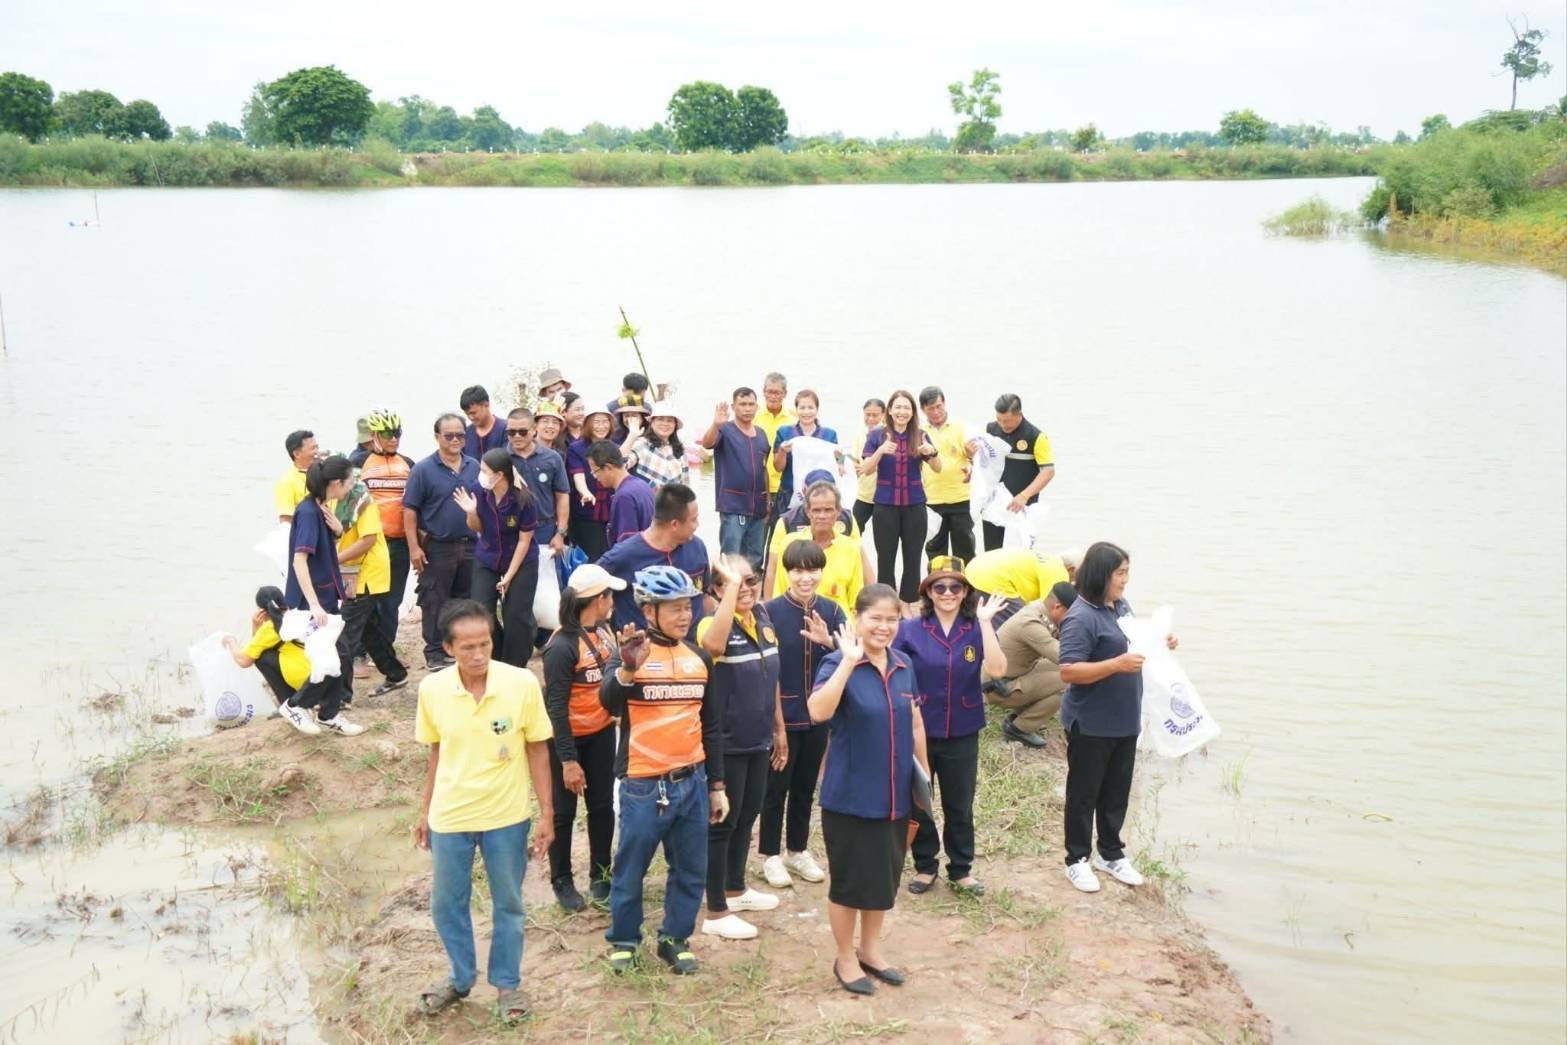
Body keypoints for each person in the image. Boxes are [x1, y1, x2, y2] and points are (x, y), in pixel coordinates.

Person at [413, 599, 555, 1022]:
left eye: (485, 645)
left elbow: (537, 749)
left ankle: (507, 985)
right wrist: (424, 813)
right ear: (448, 647)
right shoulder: (432, 689)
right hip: (450, 816)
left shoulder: (522, 683)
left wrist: (547, 813)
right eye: (467, 648)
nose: (478, 656)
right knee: (445, 904)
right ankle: (460, 978)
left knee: (508, 903)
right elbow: (437, 752)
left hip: (506, 817)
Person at [599, 565, 729, 975]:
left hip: (692, 781)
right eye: (674, 609)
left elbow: (711, 726)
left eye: (687, 607)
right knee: (631, 867)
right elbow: (607, 701)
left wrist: (717, 786)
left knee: (691, 868)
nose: (685, 616)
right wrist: (626, 670)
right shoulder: (631, 653)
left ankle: (675, 939)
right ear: (648, 611)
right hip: (642, 784)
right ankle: (624, 940)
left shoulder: (700, 657)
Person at [808, 584, 929, 996]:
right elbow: (817, 711)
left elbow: (914, 722)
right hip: (850, 797)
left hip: (896, 794)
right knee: (849, 881)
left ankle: (871, 951)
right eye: (875, 618)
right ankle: (844, 957)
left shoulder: (903, 664)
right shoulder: (835, 662)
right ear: (857, 619)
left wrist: (924, 780)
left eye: (891, 619)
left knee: (883, 878)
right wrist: (848, 662)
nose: (883, 626)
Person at [1058, 542, 1176, 894]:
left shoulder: (1120, 605)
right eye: (1120, 573)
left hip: (1124, 717)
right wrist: (1115, 665)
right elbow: (1068, 671)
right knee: (1084, 793)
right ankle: (1076, 859)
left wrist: (1160, 640)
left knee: (1117, 790)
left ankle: (1110, 852)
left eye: (1127, 572)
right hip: (1091, 722)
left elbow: (1133, 643)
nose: (1126, 580)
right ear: (1101, 574)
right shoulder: (1080, 617)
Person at [894, 558, 1007, 896]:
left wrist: (986, 623)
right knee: (920, 800)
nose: (947, 593)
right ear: (928, 591)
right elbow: (894, 668)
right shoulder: (910, 628)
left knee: (960, 803)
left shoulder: (976, 627)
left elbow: (999, 670)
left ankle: (960, 869)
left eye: (955, 587)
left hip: (962, 727)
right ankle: (926, 866)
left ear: (965, 592)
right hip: (920, 729)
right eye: (939, 586)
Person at [696, 556, 785, 940]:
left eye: (751, 580)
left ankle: (735, 889)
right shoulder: (712, 624)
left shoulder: (762, 620)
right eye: (733, 583)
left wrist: (779, 729)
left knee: (748, 813)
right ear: (716, 590)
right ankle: (715, 909)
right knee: (722, 823)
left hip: (759, 737)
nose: (746, 587)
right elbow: (712, 646)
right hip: (727, 742)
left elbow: (773, 676)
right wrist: (730, 592)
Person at [758, 539, 843, 890]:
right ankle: (769, 855)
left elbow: (853, 653)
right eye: (797, 570)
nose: (805, 578)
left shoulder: (834, 611)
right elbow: (766, 668)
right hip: (783, 715)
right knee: (775, 786)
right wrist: (775, 725)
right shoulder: (770, 611)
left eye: (812, 570)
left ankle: (797, 849)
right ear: (786, 572)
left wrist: (829, 643)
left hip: (818, 717)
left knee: (806, 786)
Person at [541, 564, 625, 913]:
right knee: (563, 813)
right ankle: (561, 880)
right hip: (569, 739)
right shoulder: (561, 646)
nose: (614, 601)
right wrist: (568, 760)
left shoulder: (605, 631)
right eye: (610, 595)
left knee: (602, 807)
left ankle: (600, 874)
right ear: (597, 599)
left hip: (602, 733)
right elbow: (555, 707)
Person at [282, 454, 364, 736]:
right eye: (350, 482)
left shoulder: (321, 508)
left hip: (328, 596)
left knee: (340, 656)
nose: (352, 486)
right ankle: (296, 705)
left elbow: (324, 547)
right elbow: (299, 560)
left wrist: (338, 530)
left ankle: (329, 714)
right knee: (331, 660)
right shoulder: (307, 512)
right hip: (312, 601)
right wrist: (314, 605)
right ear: (336, 483)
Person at [403, 414, 481, 670]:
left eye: (460, 434)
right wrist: (414, 547)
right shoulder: (423, 470)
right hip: (437, 546)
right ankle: (434, 652)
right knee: (433, 599)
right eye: (449, 435)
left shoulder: (474, 466)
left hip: (470, 544)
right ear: (437, 437)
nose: (455, 440)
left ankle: (457, 647)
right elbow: (410, 511)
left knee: (464, 600)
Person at [224, 585, 348, 737]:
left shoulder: (270, 628)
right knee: (270, 652)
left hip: (307, 683)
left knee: (262, 658)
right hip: (327, 678)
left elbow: (244, 661)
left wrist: (231, 641)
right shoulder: (299, 615)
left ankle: (292, 706)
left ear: (262, 611)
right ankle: (307, 706)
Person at [454, 448, 539, 668]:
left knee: (516, 616)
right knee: (482, 612)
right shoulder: (479, 491)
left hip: (520, 559)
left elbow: (524, 541)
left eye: (484, 470)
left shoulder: (524, 499)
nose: (480, 474)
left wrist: (509, 576)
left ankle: (515, 666)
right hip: (488, 557)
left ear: (499, 475)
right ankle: (496, 658)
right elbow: (478, 528)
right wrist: (471, 512)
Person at [597, 483, 711, 639]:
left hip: (691, 655)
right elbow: (586, 594)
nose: (697, 525)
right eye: (694, 520)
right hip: (645, 655)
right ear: (675, 524)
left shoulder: (696, 547)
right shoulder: (624, 556)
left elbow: (704, 596)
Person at [860, 390, 941, 608]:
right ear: (890, 410)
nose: (902, 412)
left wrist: (931, 452)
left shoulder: (921, 435)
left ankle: (908, 603)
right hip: (885, 506)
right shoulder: (877, 435)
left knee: (913, 557)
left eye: (907, 408)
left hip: (915, 505)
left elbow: (938, 468)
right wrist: (880, 451)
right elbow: (865, 469)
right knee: (885, 557)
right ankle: (887, 603)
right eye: (898, 407)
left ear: (913, 411)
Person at [333, 473, 410, 698]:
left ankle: (340, 697)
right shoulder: (334, 500)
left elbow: (368, 540)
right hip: (350, 573)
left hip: (366, 574)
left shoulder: (362, 502)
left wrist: (332, 560)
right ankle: (395, 674)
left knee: (344, 636)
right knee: (368, 629)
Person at [988, 581, 1077, 749]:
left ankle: (1024, 714)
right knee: (1070, 678)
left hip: (1014, 674)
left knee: (1060, 670)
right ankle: (1019, 728)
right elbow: (1066, 658)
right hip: (1000, 687)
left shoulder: (1039, 608)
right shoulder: (1031, 624)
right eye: (1071, 615)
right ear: (1057, 607)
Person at [355, 411, 416, 652]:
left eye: (397, 433)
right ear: (374, 436)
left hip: (399, 542)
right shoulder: (359, 464)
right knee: (367, 601)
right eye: (388, 434)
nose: (394, 439)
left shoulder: (408, 464)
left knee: (392, 602)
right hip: (371, 544)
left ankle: (387, 651)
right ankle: (360, 652)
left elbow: (417, 505)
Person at [762, 480, 867, 615]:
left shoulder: (851, 549)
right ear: (808, 512)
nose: (822, 516)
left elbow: (856, 599)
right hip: (796, 622)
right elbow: (780, 590)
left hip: (838, 627)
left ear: (838, 512)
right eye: (816, 510)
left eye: (828, 510)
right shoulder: (790, 544)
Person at [699, 388, 772, 573]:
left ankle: (749, 594)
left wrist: (768, 501)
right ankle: (725, 594)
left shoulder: (762, 434)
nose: (747, 409)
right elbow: (707, 443)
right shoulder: (725, 430)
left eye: (751, 404)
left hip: (758, 506)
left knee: (755, 556)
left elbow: (764, 469)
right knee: (731, 555)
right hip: (733, 505)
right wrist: (716, 424)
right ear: (734, 407)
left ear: (757, 407)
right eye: (742, 404)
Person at [983, 394, 1055, 552]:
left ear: (1019, 415)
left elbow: (1048, 471)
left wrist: (1024, 495)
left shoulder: (1036, 436)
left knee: (1019, 555)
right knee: (992, 553)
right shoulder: (990, 430)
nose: (1003, 425)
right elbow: (982, 462)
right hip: (994, 505)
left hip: (1022, 505)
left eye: (1007, 421)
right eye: (999, 419)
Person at [918, 386, 976, 563]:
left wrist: (972, 460)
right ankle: (935, 588)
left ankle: (969, 589)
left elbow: (976, 457)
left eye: (939, 406)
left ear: (944, 403)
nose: (936, 412)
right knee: (935, 551)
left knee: (965, 550)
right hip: (931, 499)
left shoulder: (962, 427)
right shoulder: (919, 431)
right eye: (930, 408)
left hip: (961, 498)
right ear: (922, 409)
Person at [506, 406, 570, 560]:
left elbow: (562, 496)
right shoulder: (501, 458)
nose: (516, 436)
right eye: (511, 432)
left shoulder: (553, 458)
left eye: (522, 432)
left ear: (533, 430)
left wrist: (560, 533)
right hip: (511, 529)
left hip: (545, 530)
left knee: (547, 582)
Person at [964, 546, 1071, 628]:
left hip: (976, 567)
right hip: (992, 578)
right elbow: (1050, 609)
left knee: (984, 620)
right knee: (1023, 624)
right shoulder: (1059, 571)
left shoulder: (1049, 559)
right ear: (1071, 569)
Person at [771, 389, 841, 511]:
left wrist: (840, 461)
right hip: (789, 493)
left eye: (810, 407)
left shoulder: (829, 435)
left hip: (820, 498)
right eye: (802, 408)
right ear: (796, 409)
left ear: (817, 409)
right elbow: (778, 468)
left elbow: (841, 460)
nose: (806, 412)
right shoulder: (785, 432)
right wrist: (782, 451)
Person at [567, 404, 615, 561]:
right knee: (590, 558)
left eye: (605, 421)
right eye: (597, 422)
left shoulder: (614, 447)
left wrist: (633, 435)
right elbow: (578, 475)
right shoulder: (576, 448)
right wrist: (585, 492)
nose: (601, 426)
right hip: (587, 512)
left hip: (610, 512)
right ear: (588, 424)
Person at [755, 373, 797, 537]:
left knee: (779, 539)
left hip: (784, 488)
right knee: (758, 539)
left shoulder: (795, 419)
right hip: (758, 487)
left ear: (785, 393)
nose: (773, 396)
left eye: (777, 392)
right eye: (770, 391)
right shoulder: (753, 416)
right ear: (763, 391)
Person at [590, 441, 655, 546]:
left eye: (595, 471)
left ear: (608, 468)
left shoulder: (624, 497)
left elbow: (627, 544)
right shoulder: (642, 484)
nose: (595, 477)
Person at [624, 399, 691, 490]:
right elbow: (620, 465)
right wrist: (631, 436)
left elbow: (686, 484)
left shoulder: (679, 449)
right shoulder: (642, 444)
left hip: (674, 502)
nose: (665, 424)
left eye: (670, 420)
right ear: (652, 422)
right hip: (646, 501)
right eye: (660, 419)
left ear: (675, 425)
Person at [850, 399, 884, 536]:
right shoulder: (860, 436)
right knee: (852, 530)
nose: (870, 419)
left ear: (884, 415)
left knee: (883, 535)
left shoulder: (889, 436)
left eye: (875, 415)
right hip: (864, 494)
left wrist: (870, 466)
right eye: (867, 415)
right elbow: (855, 460)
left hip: (884, 497)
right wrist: (841, 458)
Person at [275, 429, 317, 522]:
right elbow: (286, 520)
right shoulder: (286, 482)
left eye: (317, 447)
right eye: (313, 448)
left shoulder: (324, 473)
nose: (317, 452)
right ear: (297, 454)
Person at [460, 385, 508, 460]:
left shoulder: (506, 429)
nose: (470, 417)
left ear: (486, 404)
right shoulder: (465, 434)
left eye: (473, 413)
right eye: (467, 414)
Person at [609, 373, 651, 441]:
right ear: (623, 390)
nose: (634, 399)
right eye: (632, 395)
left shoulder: (647, 408)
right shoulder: (611, 408)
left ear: (644, 392)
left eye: (638, 395)